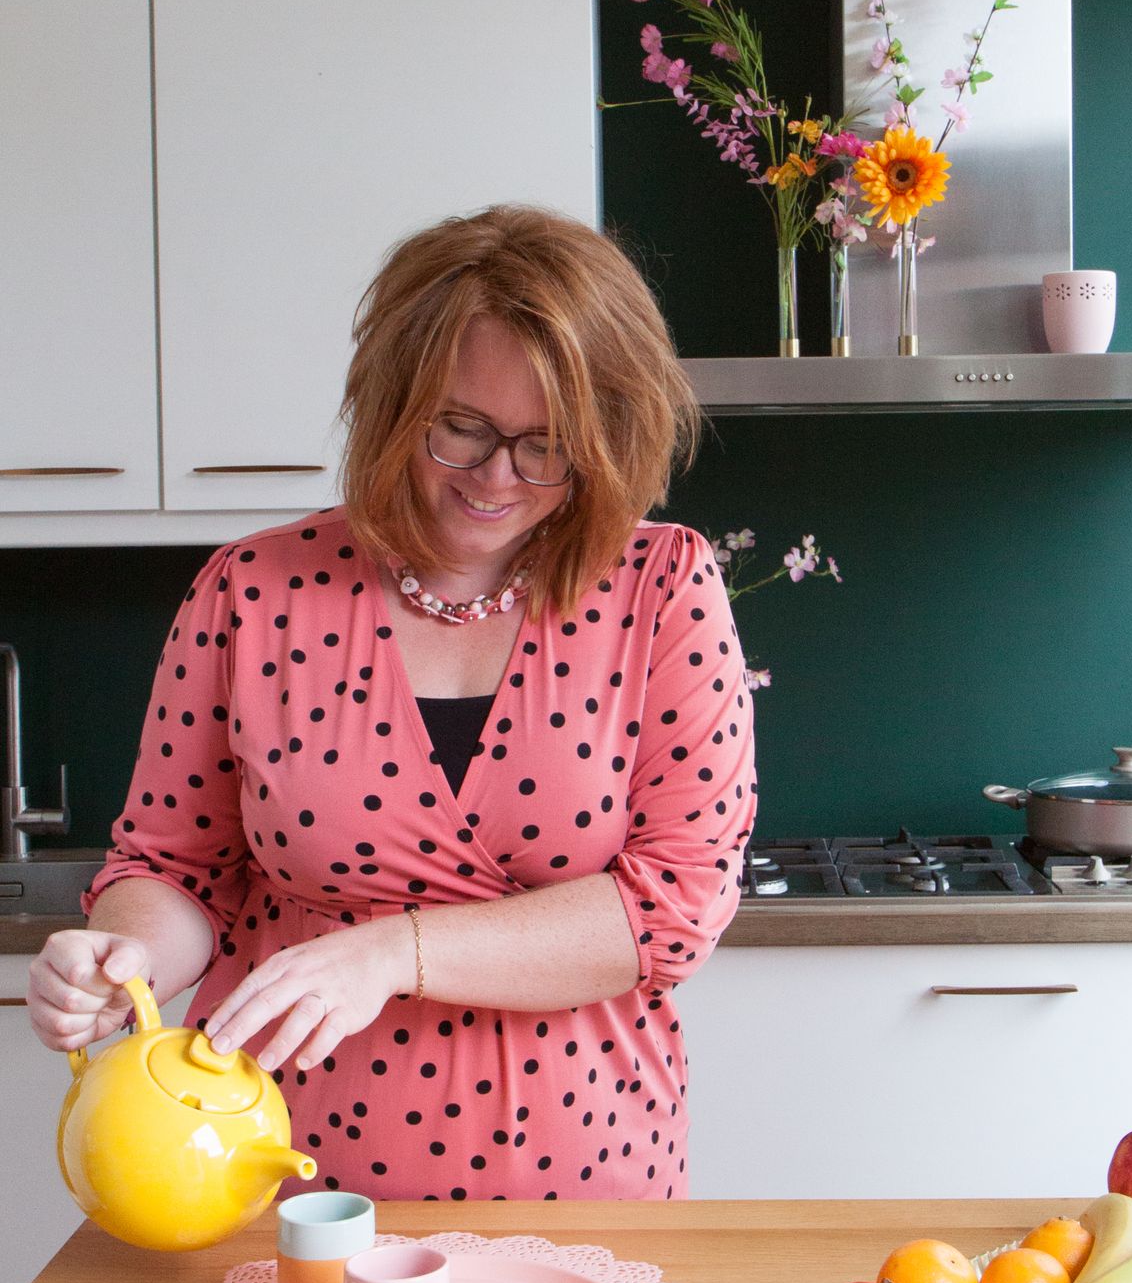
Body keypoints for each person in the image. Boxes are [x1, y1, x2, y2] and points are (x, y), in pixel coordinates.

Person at [27, 204, 756, 1200]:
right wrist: (126, 955)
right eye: (462, 428)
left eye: (548, 445)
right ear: (393, 399)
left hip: (587, 1178)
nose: (501, 477)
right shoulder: (253, 591)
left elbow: (670, 911)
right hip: (280, 1177)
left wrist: (392, 953)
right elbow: (173, 866)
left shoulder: (661, 588)